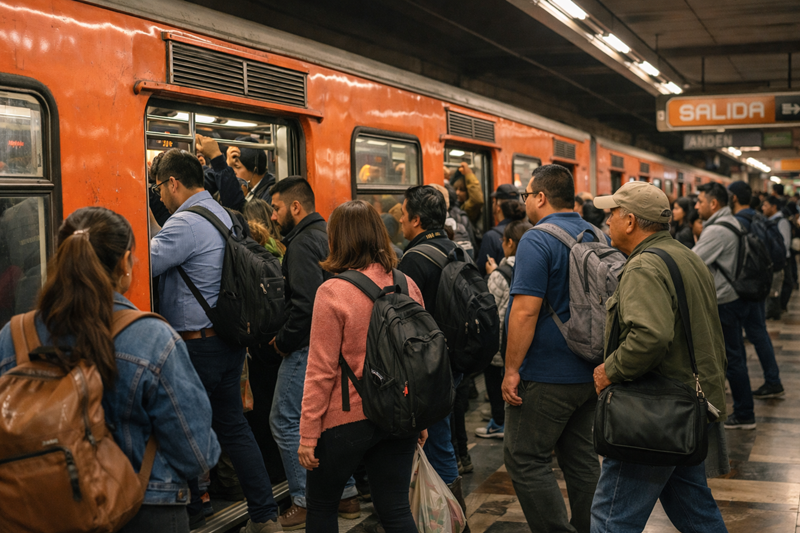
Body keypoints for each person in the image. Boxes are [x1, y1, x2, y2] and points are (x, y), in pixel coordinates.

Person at [0, 206, 220, 533]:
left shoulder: (14, 335)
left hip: (39, 511)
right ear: (124, 263)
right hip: (144, 509)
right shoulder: (154, 339)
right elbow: (197, 454)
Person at [148, 149, 281, 533]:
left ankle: (193, 511)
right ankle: (265, 515)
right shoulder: (220, 213)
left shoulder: (184, 223)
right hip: (226, 341)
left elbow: (143, 262)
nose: (159, 194)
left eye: (159, 187)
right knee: (234, 428)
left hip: (195, 346)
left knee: (179, 427)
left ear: (173, 183)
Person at [591, 182, 728, 533]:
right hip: (686, 405)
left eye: (612, 214)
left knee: (611, 519)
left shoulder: (643, 267)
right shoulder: (686, 256)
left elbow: (650, 337)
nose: (607, 221)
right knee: (696, 513)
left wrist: (610, 370)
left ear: (631, 221)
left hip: (654, 411)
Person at [298, 200, 427, 533]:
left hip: (347, 420)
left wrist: (308, 434)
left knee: (323, 506)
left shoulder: (332, 292)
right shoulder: (407, 284)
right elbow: (419, 359)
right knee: (396, 509)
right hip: (399, 415)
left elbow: (321, 371)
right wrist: (420, 418)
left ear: (338, 239)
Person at [502, 164, 601, 533]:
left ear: (540, 197)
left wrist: (512, 370)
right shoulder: (596, 233)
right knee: (582, 460)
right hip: (590, 369)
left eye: (527, 195)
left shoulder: (536, 239)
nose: (525, 202)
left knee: (525, 458)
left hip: (546, 374)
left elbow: (525, 311)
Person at [268, 177, 358, 529]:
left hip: (307, 346)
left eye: (276, 208)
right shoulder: (327, 235)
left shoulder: (302, 244)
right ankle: (347, 494)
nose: (273, 216)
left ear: (295, 207)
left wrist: (283, 341)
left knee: (285, 419)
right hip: (333, 344)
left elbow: (305, 307)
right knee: (323, 422)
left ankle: (304, 498)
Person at [397, 185, 466, 515]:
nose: (398, 219)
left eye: (402, 212)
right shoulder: (455, 248)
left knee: (437, 442)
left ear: (417, 219)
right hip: (454, 358)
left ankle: (448, 517)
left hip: (430, 365)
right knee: (443, 439)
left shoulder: (413, 259)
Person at [693, 182, 754, 430]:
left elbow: (692, 262)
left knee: (730, 358)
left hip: (723, 301)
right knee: (734, 355)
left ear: (713, 204)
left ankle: (744, 413)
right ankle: (744, 409)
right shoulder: (733, 222)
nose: (697, 206)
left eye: (700, 201)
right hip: (734, 297)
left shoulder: (717, 231)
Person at [476, 219, 532, 440]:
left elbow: (489, 308)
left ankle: (499, 423)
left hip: (501, 344)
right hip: (526, 341)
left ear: (509, 242)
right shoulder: (534, 265)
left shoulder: (500, 273)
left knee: (495, 380)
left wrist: (492, 274)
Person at [728, 182, 784, 398]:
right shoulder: (759, 218)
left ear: (733, 198)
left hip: (743, 286)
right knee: (758, 332)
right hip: (759, 284)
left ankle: (765, 383)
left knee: (744, 337)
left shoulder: (739, 222)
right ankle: (773, 379)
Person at [476, 184, 524, 275]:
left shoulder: (491, 237)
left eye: (494, 202)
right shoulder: (527, 229)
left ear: (498, 207)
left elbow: (481, 270)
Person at [763, 196, 792, 319]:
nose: (763, 208)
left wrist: (780, 259)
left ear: (774, 207)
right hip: (775, 260)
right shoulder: (769, 220)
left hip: (782, 260)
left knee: (782, 285)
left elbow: (785, 243)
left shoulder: (781, 221)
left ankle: (777, 309)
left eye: (765, 205)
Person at [450, 162, 485, 228]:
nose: (457, 193)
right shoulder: (453, 206)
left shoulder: (466, 208)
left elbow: (477, 200)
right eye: (455, 189)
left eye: (462, 190)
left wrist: (469, 174)